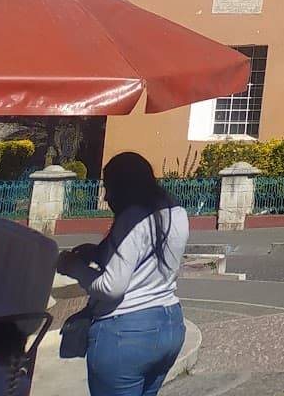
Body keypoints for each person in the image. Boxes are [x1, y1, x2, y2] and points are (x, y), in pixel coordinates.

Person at [55, 154, 187, 396]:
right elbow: (145, 259)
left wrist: (73, 267)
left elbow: (111, 287)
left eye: (109, 187)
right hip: (169, 324)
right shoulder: (174, 211)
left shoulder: (132, 217)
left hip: (126, 331)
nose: (106, 197)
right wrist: (98, 253)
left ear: (124, 186)